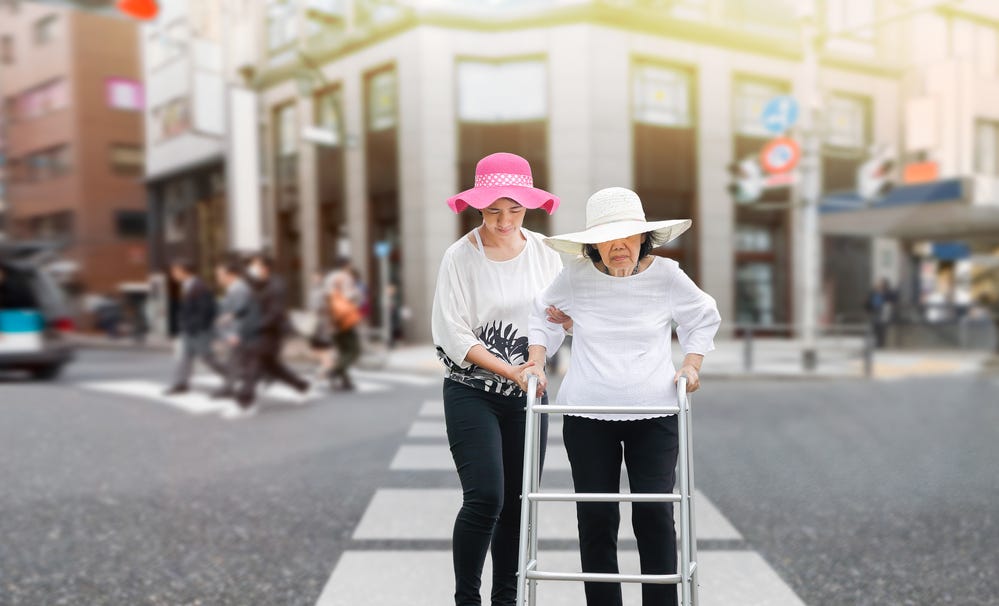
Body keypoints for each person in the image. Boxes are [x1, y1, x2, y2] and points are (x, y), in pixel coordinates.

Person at [526, 187, 721, 606]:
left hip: (655, 411)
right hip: (587, 414)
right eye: (608, 239)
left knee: (653, 512)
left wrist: (692, 364)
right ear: (593, 245)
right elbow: (541, 317)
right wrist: (537, 361)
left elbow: (703, 315)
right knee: (596, 517)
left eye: (628, 236)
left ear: (643, 238)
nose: (619, 247)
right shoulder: (575, 278)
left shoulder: (667, 275)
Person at [431, 152, 568, 606]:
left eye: (513, 209)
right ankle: (466, 599)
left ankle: (505, 600)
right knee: (485, 497)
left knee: (517, 504)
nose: (504, 220)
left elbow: (555, 317)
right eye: (493, 211)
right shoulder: (459, 257)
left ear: (527, 205)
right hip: (473, 392)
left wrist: (552, 338)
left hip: (529, 395)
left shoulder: (548, 253)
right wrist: (510, 368)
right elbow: (452, 331)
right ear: (478, 208)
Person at [242, 253, 312, 401]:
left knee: (254, 363)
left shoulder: (277, 286)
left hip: (271, 331)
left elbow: (275, 313)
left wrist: (255, 325)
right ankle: (301, 385)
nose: (252, 268)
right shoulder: (258, 283)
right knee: (272, 366)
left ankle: (244, 401)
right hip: (261, 331)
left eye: (256, 265)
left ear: (265, 268)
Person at [163, 259, 226, 396]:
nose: (173, 274)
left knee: (207, 358)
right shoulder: (187, 285)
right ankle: (181, 383)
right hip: (189, 330)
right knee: (184, 357)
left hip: (199, 330)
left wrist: (194, 326)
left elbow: (207, 310)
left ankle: (233, 376)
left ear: (184, 271)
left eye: (175, 271)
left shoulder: (199, 287)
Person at [210, 257, 258, 406]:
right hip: (239, 333)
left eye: (220, 274)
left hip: (240, 332)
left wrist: (233, 334)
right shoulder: (235, 288)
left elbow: (240, 314)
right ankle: (230, 387)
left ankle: (230, 388)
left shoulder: (239, 289)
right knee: (236, 361)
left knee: (236, 360)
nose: (218, 278)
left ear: (231, 275)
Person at [326, 257, 362, 391]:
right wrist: (357, 294)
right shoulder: (345, 278)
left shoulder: (329, 278)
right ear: (346, 265)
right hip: (345, 319)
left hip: (332, 320)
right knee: (354, 350)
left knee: (342, 351)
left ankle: (345, 381)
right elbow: (349, 297)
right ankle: (334, 371)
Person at [864, 278, 896, 348]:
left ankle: (880, 343)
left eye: (880, 284)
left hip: (883, 312)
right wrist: (868, 309)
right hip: (874, 312)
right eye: (878, 284)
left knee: (881, 328)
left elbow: (892, 301)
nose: (878, 285)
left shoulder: (887, 293)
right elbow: (868, 303)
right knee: (873, 328)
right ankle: (875, 343)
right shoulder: (873, 293)